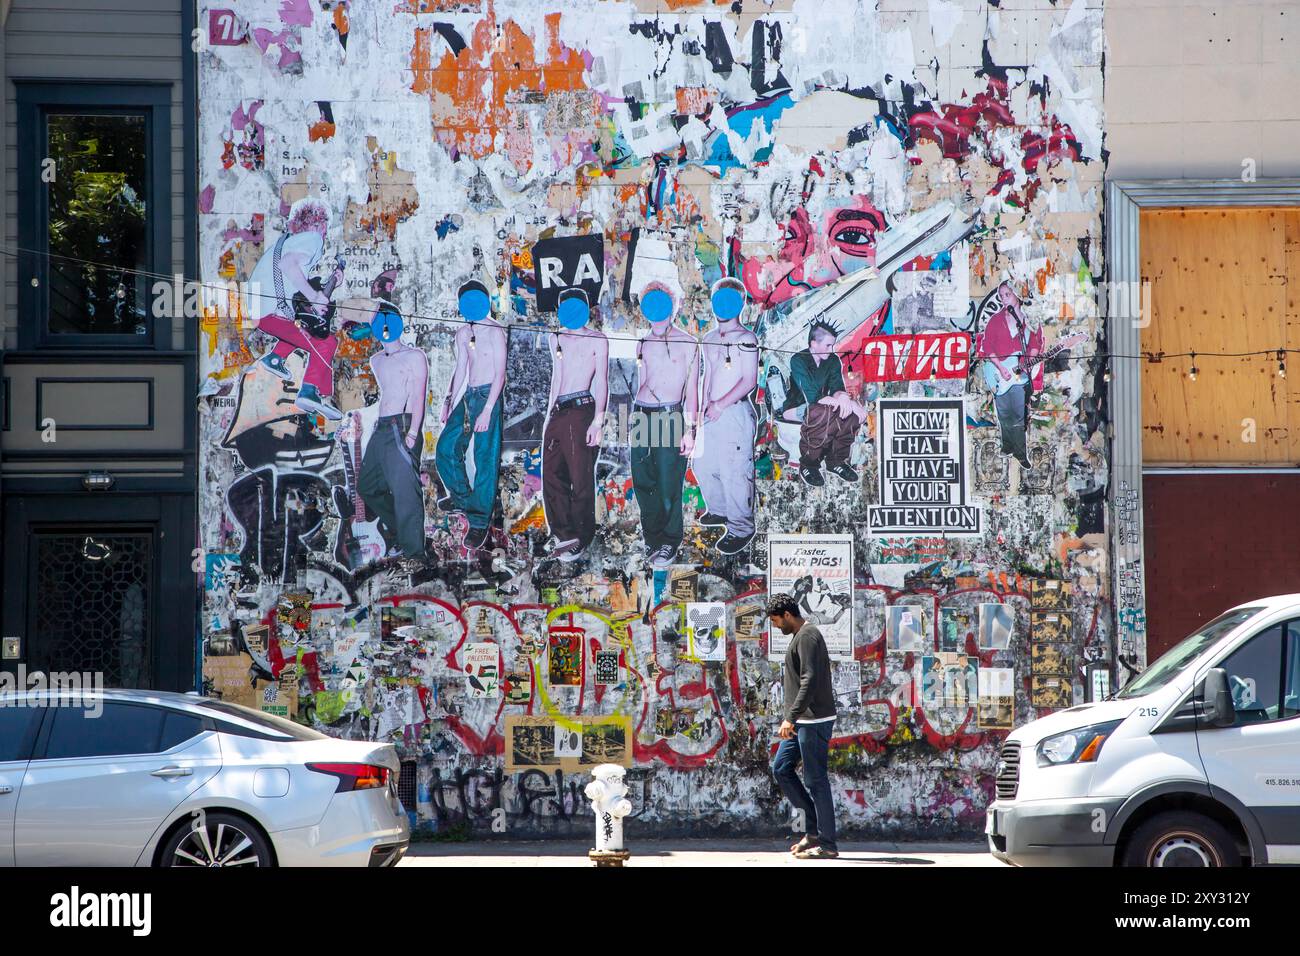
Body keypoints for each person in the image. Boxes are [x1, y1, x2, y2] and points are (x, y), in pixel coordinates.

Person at [249, 199, 344, 421]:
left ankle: (275, 358)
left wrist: (329, 287)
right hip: (268, 311)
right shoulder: (312, 239)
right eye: (325, 228)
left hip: (259, 309)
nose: (325, 232)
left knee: (302, 327)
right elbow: (288, 266)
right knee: (326, 342)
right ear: (320, 224)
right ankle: (309, 391)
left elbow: (292, 281)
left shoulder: (287, 241)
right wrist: (314, 297)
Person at [434, 280, 507, 551]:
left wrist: (488, 409)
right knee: (447, 447)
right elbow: (460, 369)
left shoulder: (495, 331)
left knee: (484, 458)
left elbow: (500, 374)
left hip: (489, 395)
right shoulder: (463, 333)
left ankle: (478, 522)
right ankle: (462, 498)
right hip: (469, 396)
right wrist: (448, 401)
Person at [631, 281, 699, 569]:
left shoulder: (687, 342)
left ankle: (670, 541)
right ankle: (653, 540)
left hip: (671, 415)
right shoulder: (642, 343)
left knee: (669, 482)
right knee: (643, 481)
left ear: (672, 307)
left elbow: (692, 390)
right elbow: (640, 382)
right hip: (640, 413)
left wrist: (691, 428)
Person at [767, 592, 839, 860]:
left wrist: (790, 717)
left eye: (776, 621)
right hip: (802, 721)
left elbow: (809, 680)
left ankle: (828, 844)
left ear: (788, 615)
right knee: (782, 768)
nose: (776, 626)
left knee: (815, 779)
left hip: (813, 720)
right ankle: (813, 831)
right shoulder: (800, 636)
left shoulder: (808, 636)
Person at [357, 302, 428, 559]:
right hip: (382, 428)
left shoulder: (415, 356)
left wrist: (412, 433)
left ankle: (415, 555)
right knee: (367, 486)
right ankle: (405, 532)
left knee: (405, 493)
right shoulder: (376, 360)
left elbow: (417, 396)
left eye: (383, 318)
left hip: (402, 425)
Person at [542, 287, 609, 562]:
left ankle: (581, 537)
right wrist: (548, 417)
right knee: (551, 473)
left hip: (583, 408)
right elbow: (557, 379)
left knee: (580, 476)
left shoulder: (598, 339)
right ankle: (563, 533)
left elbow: (602, 380)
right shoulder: (555, 337)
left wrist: (598, 421)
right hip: (559, 410)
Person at [696, 276, 759, 555]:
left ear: (740, 303)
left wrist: (721, 404)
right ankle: (719, 510)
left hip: (734, 412)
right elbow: (706, 376)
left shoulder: (747, 338)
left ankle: (741, 528)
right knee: (703, 466)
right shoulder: (709, 339)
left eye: (729, 299)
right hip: (710, 413)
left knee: (735, 472)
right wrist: (702, 408)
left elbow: (749, 380)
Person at [781, 320, 867, 487]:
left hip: (822, 405)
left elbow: (837, 388)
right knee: (823, 412)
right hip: (796, 407)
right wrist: (842, 401)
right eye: (828, 345)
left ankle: (836, 461)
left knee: (850, 415)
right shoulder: (798, 360)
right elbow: (811, 394)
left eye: (832, 345)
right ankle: (808, 463)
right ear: (814, 343)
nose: (831, 350)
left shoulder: (833, 360)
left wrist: (849, 402)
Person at [976, 281, 1042, 469]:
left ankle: (1021, 454)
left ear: (1017, 295)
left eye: (1007, 294)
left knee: (1018, 416)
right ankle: (1007, 446)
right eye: (1001, 296)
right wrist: (1000, 367)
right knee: (1004, 414)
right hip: (999, 373)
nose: (1004, 299)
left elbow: (1035, 345)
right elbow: (988, 347)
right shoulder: (996, 321)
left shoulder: (1028, 320)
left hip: (1019, 376)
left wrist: (1029, 359)